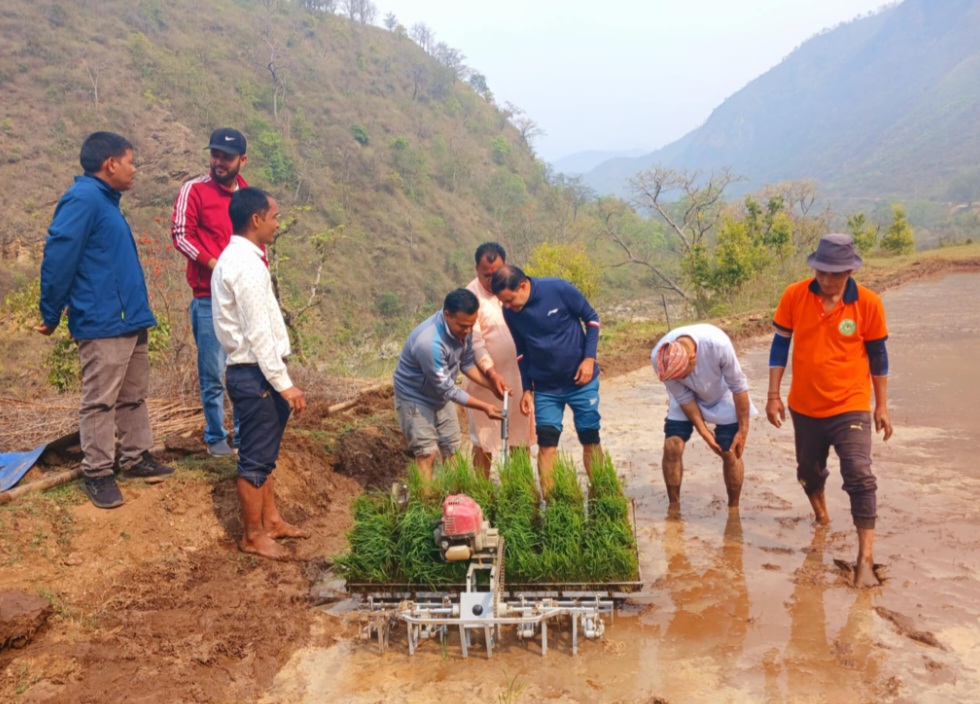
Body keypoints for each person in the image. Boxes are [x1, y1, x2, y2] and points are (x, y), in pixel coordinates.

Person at [36, 132, 174, 509]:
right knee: (100, 401)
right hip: (102, 320)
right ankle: (97, 472)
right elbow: (59, 257)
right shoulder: (83, 199)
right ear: (110, 163)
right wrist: (50, 312)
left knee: (133, 397)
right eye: (131, 162)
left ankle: (136, 457)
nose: (135, 170)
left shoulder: (107, 202)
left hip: (129, 318)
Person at [766, 233, 892, 588]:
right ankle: (822, 516)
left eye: (835, 274)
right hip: (804, 406)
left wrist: (881, 404)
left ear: (850, 270)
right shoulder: (794, 295)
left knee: (858, 472)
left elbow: (879, 357)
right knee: (808, 471)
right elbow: (779, 347)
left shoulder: (868, 303)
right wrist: (773, 394)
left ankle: (865, 558)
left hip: (850, 404)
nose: (826, 280)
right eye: (821, 272)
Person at [212, 187, 307, 560]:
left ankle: (271, 520)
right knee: (254, 458)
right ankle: (252, 535)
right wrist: (284, 384)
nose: (277, 223)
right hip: (255, 374)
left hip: (255, 371)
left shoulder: (242, 259)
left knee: (264, 454)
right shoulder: (246, 265)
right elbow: (258, 334)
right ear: (256, 220)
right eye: (274, 216)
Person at [172, 128, 250, 456]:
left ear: (242, 161)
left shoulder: (248, 193)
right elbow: (180, 235)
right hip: (208, 298)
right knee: (213, 372)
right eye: (214, 154)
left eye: (226, 157)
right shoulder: (194, 190)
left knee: (245, 369)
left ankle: (245, 437)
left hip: (243, 298)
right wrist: (214, 265)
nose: (218, 162)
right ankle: (216, 437)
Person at [491, 265, 602, 493]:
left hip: (581, 381)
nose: (508, 307)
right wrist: (527, 388)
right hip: (545, 388)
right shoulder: (510, 311)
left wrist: (589, 359)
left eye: (510, 300)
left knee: (590, 437)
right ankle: (551, 504)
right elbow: (521, 350)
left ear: (522, 286)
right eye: (504, 303)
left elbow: (592, 320)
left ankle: (601, 492)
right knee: (547, 443)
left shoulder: (559, 289)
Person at [393, 289, 506, 481]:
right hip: (415, 398)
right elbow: (448, 389)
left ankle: (453, 498)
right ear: (447, 315)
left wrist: (492, 384)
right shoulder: (429, 343)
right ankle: (425, 504)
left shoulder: (465, 328)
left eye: (471, 325)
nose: (468, 331)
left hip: (440, 395)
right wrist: (485, 406)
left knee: (452, 447)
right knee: (427, 453)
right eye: (463, 326)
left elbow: (467, 362)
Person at [652, 324, 757, 511]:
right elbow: (683, 397)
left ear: (693, 357)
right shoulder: (661, 358)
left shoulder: (718, 344)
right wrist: (703, 431)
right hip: (685, 397)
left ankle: (734, 510)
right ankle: (674, 507)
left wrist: (743, 429)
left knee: (730, 450)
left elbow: (739, 386)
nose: (682, 378)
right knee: (672, 446)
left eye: (683, 374)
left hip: (723, 394)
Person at [462, 242, 534, 477]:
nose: (492, 281)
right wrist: (491, 375)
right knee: (484, 441)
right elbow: (475, 343)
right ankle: (484, 494)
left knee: (520, 437)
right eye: (486, 276)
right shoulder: (470, 297)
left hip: (519, 379)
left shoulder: (513, 287)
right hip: (485, 383)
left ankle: (520, 490)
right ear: (476, 269)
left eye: (496, 274)